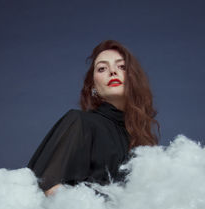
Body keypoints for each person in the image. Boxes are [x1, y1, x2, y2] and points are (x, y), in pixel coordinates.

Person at [27, 40, 160, 196]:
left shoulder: (141, 142)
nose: (112, 71)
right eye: (102, 68)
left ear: (134, 79)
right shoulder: (80, 122)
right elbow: (46, 186)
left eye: (122, 67)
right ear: (94, 88)